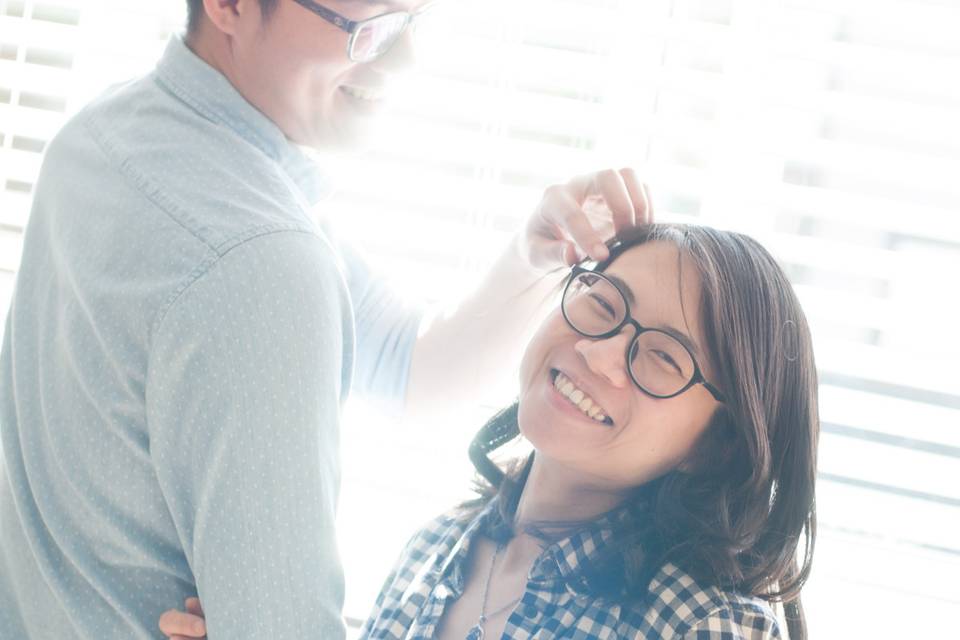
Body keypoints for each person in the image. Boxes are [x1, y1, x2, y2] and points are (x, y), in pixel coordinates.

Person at [0, 0, 652, 638]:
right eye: (373, 27)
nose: (404, 61)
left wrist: (532, 254)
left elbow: (404, 364)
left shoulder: (99, 133)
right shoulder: (259, 258)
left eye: (415, 19)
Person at [158, 223, 818, 640]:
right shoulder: (437, 548)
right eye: (602, 304)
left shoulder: (707, 625)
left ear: (715, 445)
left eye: (663, 357)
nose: (599, 353)